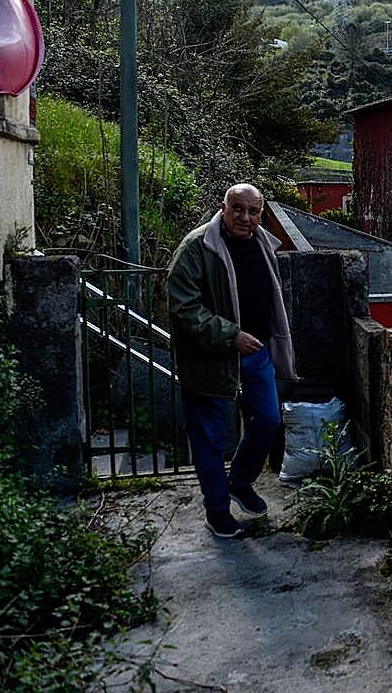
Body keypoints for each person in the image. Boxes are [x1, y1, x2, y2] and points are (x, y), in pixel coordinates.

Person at [167, 183, 297, 538]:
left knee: (268, 421)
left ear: (261, 214)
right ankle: (217, 511)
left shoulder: (263, 243)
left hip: (257, 354)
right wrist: (230, 336)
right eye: (238, 208)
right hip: (210, 359)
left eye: (253, 211)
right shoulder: (197, 247)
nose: (245, 217)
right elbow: (183, 307)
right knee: (209, 439)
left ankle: (239, 482)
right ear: (223, 208)